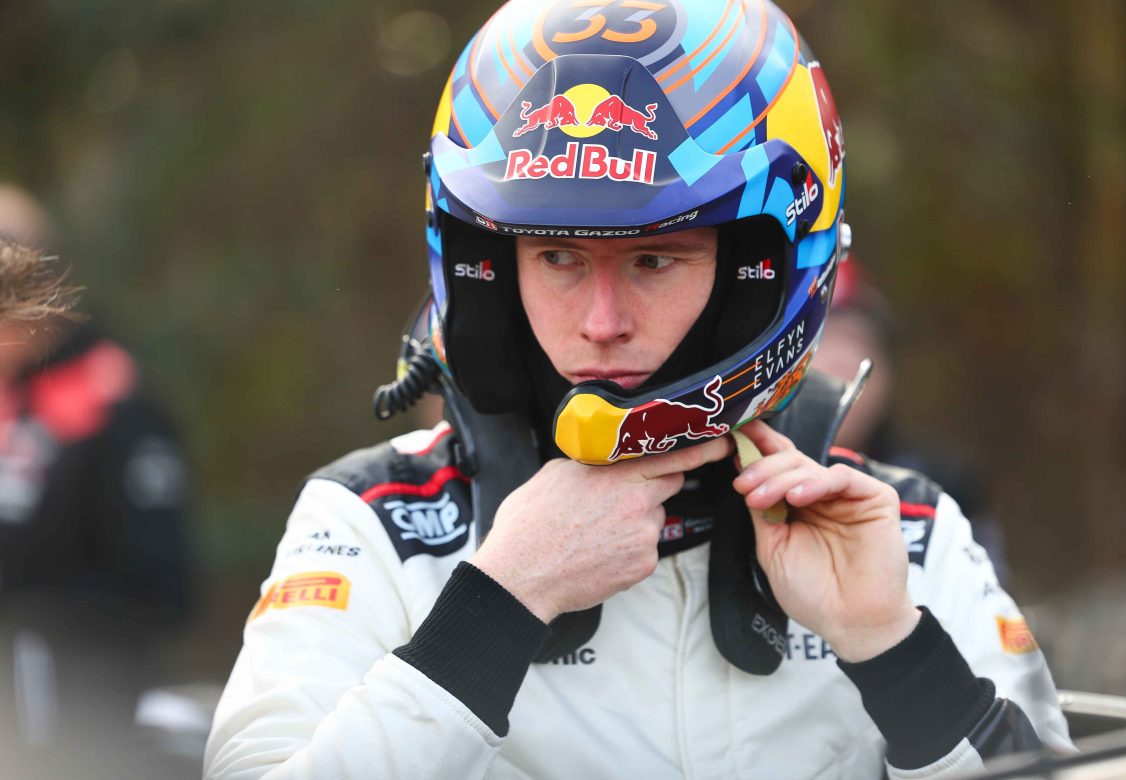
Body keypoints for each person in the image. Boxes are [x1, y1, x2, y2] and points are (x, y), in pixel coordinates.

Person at [205, 1, 1072, 777]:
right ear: (488, 271)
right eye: (558, 257)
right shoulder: (375, 524)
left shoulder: (904, 533)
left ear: (757, 274)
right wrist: (502, 599)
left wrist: (893, 649)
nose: (601, 322)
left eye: (654, 260)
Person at [0, 186, 192, 777]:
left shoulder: (115, 400)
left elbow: (162, 586)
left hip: (79, 729)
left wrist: (27, 613)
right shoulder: (13, 391)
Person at [813, 257, 1009, 576]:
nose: (841, 362)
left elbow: (987, 594)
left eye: (857, 342)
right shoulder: (742, 477)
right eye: (822, 342)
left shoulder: (944, 486)